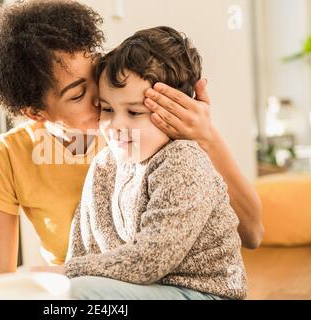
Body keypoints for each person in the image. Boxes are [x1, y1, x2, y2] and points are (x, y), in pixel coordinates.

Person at [0, 0, 263, 280]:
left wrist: (207, 137)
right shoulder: (5, 160)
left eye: (97, 71)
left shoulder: (148, 131)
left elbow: (252, 234)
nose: (101, 94)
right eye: (78, 94)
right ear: (36, 112)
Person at [63, 26, 247, 300]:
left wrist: (62, 273)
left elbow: (150, 260)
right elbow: (82, 248)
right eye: (108, 109)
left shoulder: (184, 160)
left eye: (135, 112)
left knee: (75, 292)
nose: (116, 125)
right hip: (146, 290)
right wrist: (54, 278)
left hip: (203, 294)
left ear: (175, 110)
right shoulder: (104, 166)